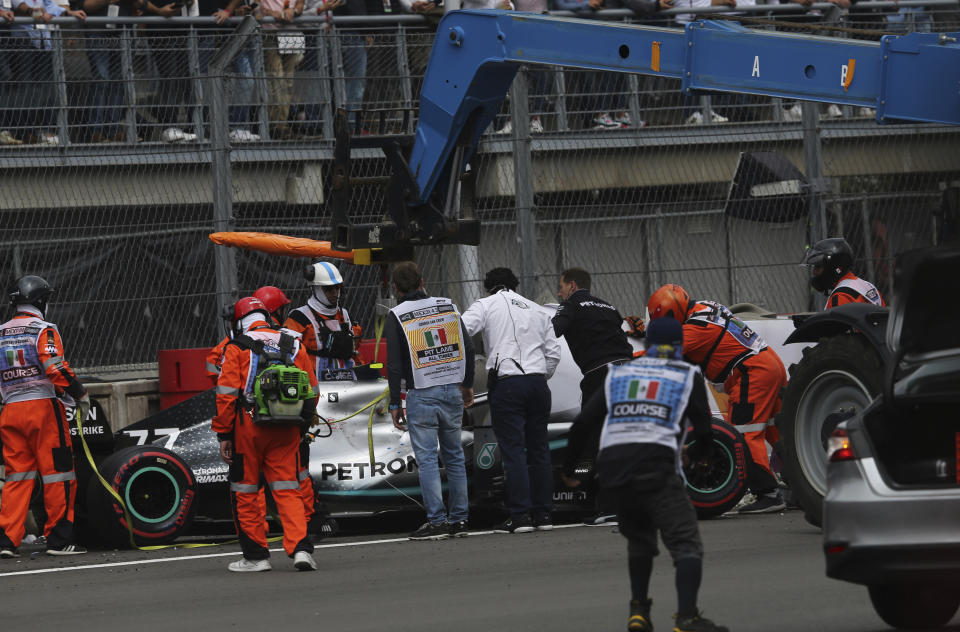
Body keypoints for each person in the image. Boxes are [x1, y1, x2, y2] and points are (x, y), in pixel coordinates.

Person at [560, 317, 729, 632]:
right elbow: (705, 430)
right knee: (686, 543)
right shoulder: (687, 373)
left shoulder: (618, 373)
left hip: (614, 468)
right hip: (655, 463)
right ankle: (687, 618)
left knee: (639, 541)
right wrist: (697, 456)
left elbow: (583, 425)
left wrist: (572, 469)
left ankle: (638, 613)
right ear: (679, 347)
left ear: (647, 345)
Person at [647, 284, 787, 514]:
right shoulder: (705, 307)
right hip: (769, 363)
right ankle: (797, 485)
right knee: (776, 431)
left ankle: (768, 493)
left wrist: (627, 350)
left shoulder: (694, 329)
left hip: (751, 372)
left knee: (744, 433)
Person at [213, 296, 319, 571]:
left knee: (246, 490)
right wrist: (300, 424)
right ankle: (301, 549)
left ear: (239, 321)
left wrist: (224, 434)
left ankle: (256, 556)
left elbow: (226, 396)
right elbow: (312, 391)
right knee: (288, 488)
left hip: (248, 427)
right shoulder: (294, 344)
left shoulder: (236, 347)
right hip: (287, 427)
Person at [461, 267, 560, 533]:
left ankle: (520, 516)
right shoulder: (538, 310)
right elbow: (553, 355)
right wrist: (537, 375)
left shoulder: (485, 304)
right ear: (515, 285)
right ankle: (544, 515)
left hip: (507, 382)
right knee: (539, 450)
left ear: (488, 287)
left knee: (514, 450)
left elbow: (460, 330)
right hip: (538, 382)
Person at [0, 275, 90, 557]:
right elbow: (55, 368)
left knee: (17, 478)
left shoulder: (1, 332)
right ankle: (60, 541)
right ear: (41, 301)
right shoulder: (44, 329)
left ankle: (6, 542)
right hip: (43, 409)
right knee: (59, 475)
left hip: (10, 411)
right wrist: (80, 394)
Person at [386, 261, 475, 540]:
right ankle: (460, 520)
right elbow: (468, 348)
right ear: (423, 281)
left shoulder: (396, 314)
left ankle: (437, 521)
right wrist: (468, 384)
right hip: (451, 388)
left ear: (395, 288)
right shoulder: (447, 305)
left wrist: (393, 403)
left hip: (422, 392)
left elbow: (395, 365)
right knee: (455, 457)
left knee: (426, 460)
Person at [553, 266, 634, 526]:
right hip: (628, 373)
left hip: (601, 375)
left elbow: (553, 330)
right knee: (623, 437)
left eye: (562, 286)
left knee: (594, 439)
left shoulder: (572, 303)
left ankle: (597, 501)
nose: (559, 292)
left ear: (573, 286)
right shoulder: (609, 306)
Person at [283, 262, 361, 382]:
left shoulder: (345, 316)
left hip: (349, 385)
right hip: (316, 386)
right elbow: (287, 354)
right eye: (329, 289)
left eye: (337, 287)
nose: (335, 293)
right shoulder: (298, 317)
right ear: (315, 288)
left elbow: (355, 351)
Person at [257, 0, 306, 139]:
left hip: (291, 33)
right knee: (276, 80)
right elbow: (256, 7)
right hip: (270, 32)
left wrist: (293, 11)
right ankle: (277, 127)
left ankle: (282, 124)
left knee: (288, 82)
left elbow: (300, 5)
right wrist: (270, 13)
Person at [801, 237, 885, 310]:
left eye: (818, 267)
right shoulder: (869, 286)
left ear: (833, 267)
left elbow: (838, 328)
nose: (814, 272)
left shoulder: (840, 296)